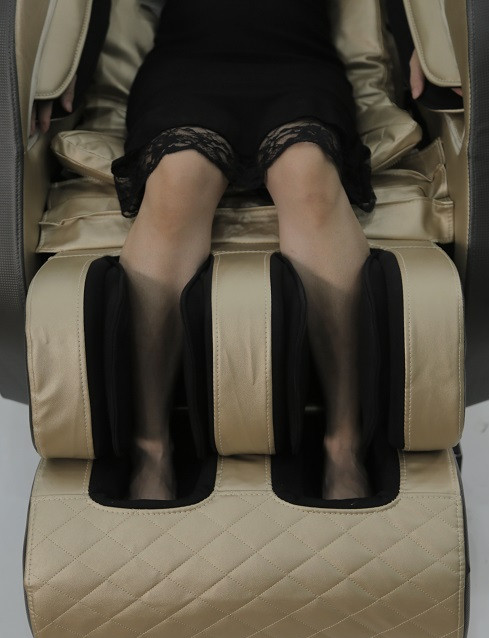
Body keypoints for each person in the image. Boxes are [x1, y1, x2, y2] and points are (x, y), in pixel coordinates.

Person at [30, 1, 460, 504]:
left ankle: (344, 444)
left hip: (299, 66)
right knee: (178, 178)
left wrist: (424, 46)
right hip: (186, 68)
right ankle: (151, 446)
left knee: (308, 174)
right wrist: (59, 65)